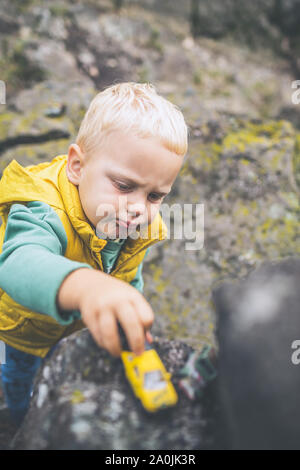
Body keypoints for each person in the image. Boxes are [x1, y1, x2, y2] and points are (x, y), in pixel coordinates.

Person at [0, 82, 188, 425]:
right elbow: (18, 261)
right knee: (19, 380)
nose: (137, 209)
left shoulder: (131, 222)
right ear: (77, 166)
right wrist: (88, 286)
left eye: (155, 196)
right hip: (19, 330)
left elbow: (128, 275)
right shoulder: (42, 209)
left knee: (61, 369)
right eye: (124, 186)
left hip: (71, 327)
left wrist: (128, 306)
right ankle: (18, 419)